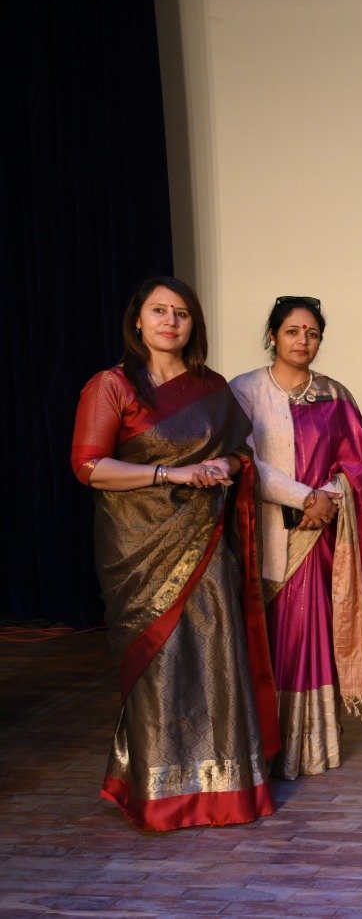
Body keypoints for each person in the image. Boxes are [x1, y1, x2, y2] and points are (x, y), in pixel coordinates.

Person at [70, 276, 279, 830]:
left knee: (214, 654)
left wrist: (223, 466)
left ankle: (225, 790)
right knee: (158, 664)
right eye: (159, 311)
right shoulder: (112, 386)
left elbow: (239, 455)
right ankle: (161, 794)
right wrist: (171, 473)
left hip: (206, 541)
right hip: (137, 548)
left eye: (181, 313)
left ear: (194, 324)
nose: (170, 321)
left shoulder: (211, 387)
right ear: (138, 321)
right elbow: (89, 466)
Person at [230, 296, 362, 778]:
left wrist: (327, 498)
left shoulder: (334, 395)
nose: (303, 341)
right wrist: (303, 497)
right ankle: (263, 749)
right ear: (273, 335)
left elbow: (358, 467)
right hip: (264, 538)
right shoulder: (245, 391)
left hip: (317, 541)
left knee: (307, 639)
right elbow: (245, 463)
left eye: (312, 333)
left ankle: (308, 749)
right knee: (266, 642)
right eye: (293, 331)